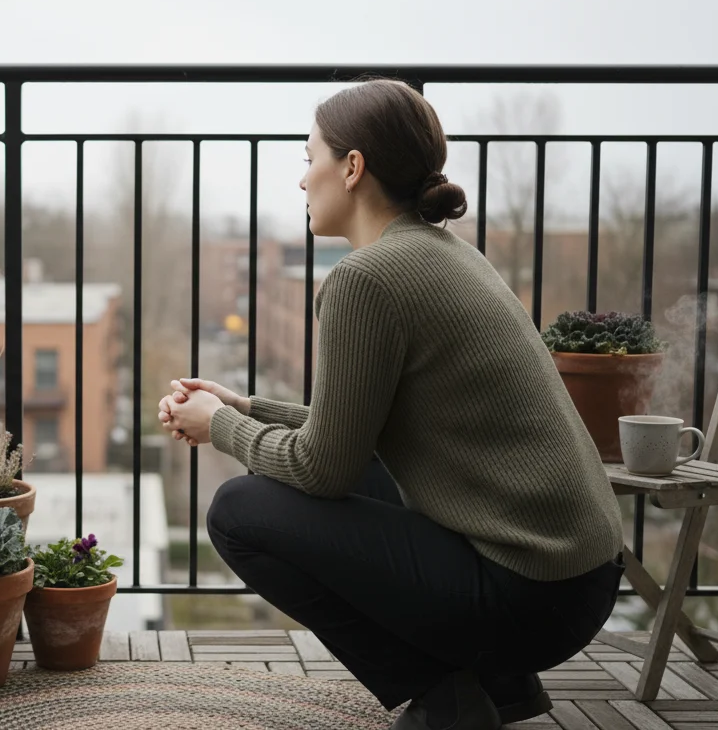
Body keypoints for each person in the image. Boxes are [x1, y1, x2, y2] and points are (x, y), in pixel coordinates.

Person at [157, 79, 624, 730]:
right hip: (578, 577)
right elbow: (350, 436)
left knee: (239, 511)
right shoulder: (447, 254)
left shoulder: (364, 280)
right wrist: (243, 406)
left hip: (530, 596)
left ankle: (444, 694)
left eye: (308, 158)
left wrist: (224, 429)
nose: (301, 182)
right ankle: (502, 688)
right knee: (337, 477)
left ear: (351, 168)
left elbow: (325, 471)